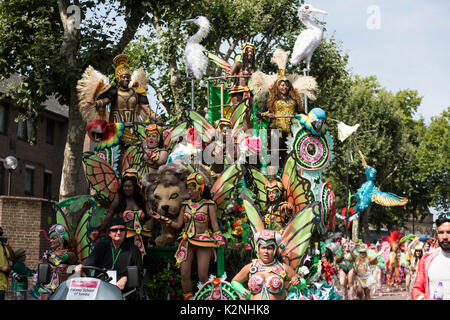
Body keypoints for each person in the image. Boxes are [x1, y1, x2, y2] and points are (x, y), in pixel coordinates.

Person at [151, 172, 225, 300]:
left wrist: (219, 238)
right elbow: (178, 225)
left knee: (202, 275)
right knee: (184, 273)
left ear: (199, 188)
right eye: (188, 189)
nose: (189, 191)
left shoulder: (209, 205)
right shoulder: (185, 205)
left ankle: (208, 298)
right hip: (186, 241)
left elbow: (215, 226)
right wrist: (162, 218)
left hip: (203, 241)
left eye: (192, 188)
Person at [75, 217, 142, 297]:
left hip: (123, 291)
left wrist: (126, 278)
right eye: (114, 230)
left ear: (125, 232)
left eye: (122, 229)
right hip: (102, 288)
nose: (118, 232)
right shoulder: (102, 246)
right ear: (109, 233)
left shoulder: (133, 249)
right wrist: (81, 266)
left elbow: (138, 272)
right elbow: (90, 261)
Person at [94, 168, 152, 258]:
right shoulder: (118, 201)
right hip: (124, 238)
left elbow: (149, 218)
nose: (127, 188)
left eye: (130, 186)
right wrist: (96, 231)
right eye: (125, 186)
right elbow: (107, 218)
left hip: (141, 238)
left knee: (140, 263)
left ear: (135, 187)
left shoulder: (141, 201)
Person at [230, 229, 301, 300]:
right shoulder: (251, 267)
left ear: (274, 250)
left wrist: (298, 282)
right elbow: (235, 282)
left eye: (269, 248)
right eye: (263, 248)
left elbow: (302, 282)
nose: (266, 251)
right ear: (258, 249)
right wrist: (244, 293)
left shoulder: (283, 267)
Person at [411, 213, 450, 300]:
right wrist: (423, 299)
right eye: (441, 232)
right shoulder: (427, 259)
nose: (444, 237)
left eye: (449, 232)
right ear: (437, 235)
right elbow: (416, 289)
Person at [36, 224, 77, 299]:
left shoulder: (71, 255)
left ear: (62, 239)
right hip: (48, 290)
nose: (51, 241)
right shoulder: (47, 255)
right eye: (50, 239)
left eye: (54, 238)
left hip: (64, 291)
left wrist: (54, 254)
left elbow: (64, 258)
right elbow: (39, 269)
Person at [0, 227, 14, 300]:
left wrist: (8, 246)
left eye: (1, 233)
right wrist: (2, 268)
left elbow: (12, 257)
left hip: (2, 285)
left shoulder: (3, 247)